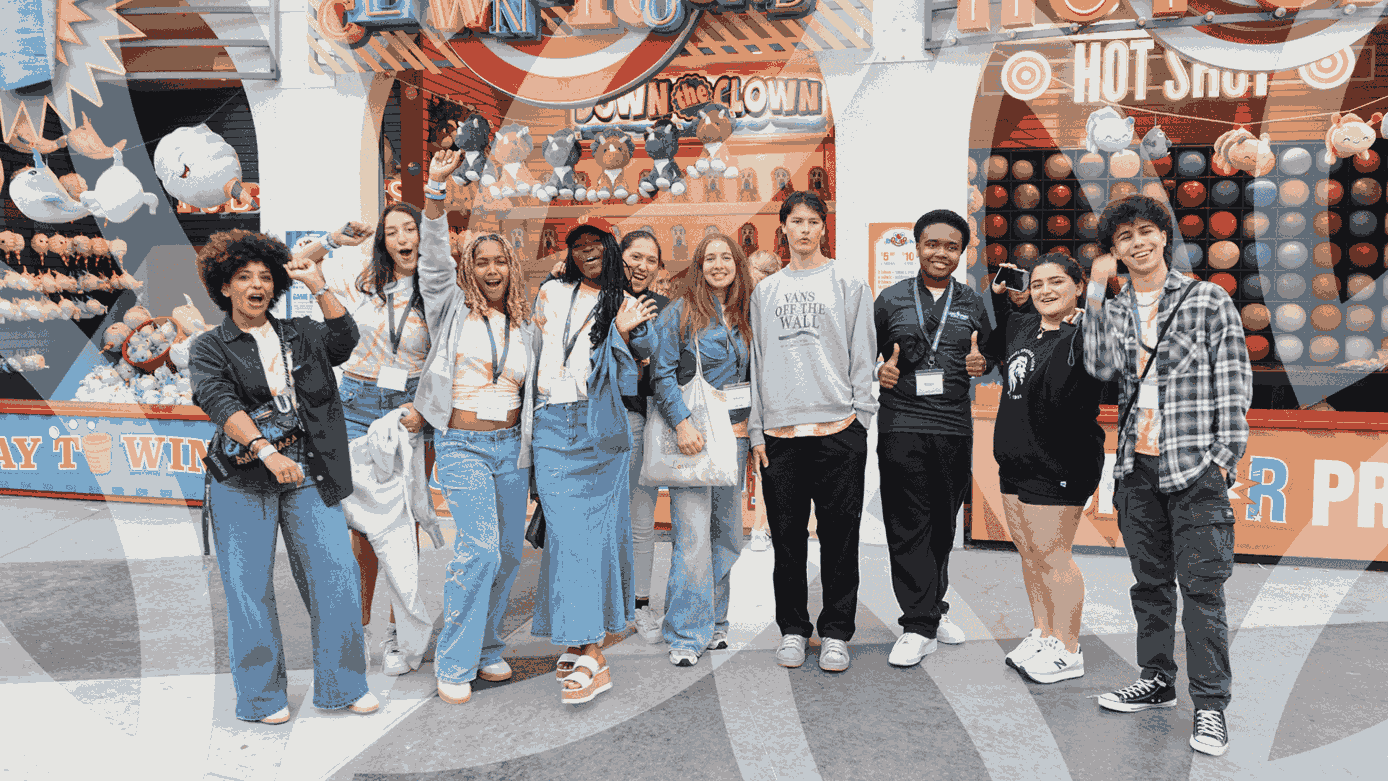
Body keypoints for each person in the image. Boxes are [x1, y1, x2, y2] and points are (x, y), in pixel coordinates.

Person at [1083, 195, 1252, 757]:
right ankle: (1156, 681)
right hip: (1136, 466)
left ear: (1163, 236)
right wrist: (1095, 291)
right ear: (1114, 250)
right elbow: (1100, 367)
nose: (1137, 243)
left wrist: (1225, 457)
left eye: (1145, 231)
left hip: (1194, 467)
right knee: (1150, 587)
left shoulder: (1207, 299)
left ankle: (1210, 708)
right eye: (1124, 236)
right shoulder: (1116, 307)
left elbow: (1233, 383)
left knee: (1202, 591)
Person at [189, 230, 378, 724]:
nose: (257, 285)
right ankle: (261, 698)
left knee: (336, 575)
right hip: (243, 476)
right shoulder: (210, 346)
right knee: (248, 589)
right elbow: (217, 399)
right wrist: (265, 449)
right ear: (224, 287)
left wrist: (319, 285)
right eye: (244, 277)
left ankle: (344, 685)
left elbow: (344, 342)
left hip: (309, 469)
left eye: (265, 278)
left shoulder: (300, 332)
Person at [413, 150, 540, 705]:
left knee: (509, 553)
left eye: (500, 262)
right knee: (480, 549)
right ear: (470, 267)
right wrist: (436, 193)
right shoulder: (449, 306)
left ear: (512, 267)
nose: (492, 270)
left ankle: (487, 646)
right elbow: (433, 260)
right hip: (461, 443)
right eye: (482, 261)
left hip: (510, 447)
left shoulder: (524, 323)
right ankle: (455, 657)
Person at [295, 208, 437, 678]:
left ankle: (402, 631)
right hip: (355, 404)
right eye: (391, 231)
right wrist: (334, 238)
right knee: (356, 525)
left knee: (403, 522)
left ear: (422, 236)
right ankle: (356, 630)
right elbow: (296, 262)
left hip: (409, 410)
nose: (402, 238)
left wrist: (428, 410)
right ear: (382, 241)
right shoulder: (360, 278)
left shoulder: (437, 288)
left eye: (409, 229)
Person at [748, 191, 877, 673]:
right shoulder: (766, 292)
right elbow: (757, 361)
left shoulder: (847, 281)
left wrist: (861, 417)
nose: (804, 230)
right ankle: (794, 629)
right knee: (786, 540)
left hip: (838, 428)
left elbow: (863, 351)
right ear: (782, 228)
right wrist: (757, 429)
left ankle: (838, 631)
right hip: (780, 434)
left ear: (824, 228)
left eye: (813, 222)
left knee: (841, 537)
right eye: (796, 222)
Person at [531, 215, 658, 704]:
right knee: (565, 536)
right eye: (578, 245)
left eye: (596, 245)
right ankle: (580, 639)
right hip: (550, 423)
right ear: (571, 252)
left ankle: (591, 651)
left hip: (599, 424)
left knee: (594, 536)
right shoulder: (551, 293)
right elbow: (539, 351)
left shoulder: (626, 303)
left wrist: (624, 334)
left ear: (611, 250)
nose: (588, 252)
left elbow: (638, 371)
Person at [874, 209, 993, 669]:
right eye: (932, 244)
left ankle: (931, 607)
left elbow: (993, 353)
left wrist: (985, 365)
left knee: (943, 525)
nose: (940, 253)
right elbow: (866, 353)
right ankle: (917, 624)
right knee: (907, 523)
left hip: (953, 426)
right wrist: (877, 371)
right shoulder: (890, 299)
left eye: (950, 246)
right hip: (901, 422)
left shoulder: (974, 302)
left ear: (961, 252)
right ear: (917, 246)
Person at [979, 255, 1103, 683]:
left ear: (1078, 286)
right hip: (1015, 456)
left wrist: (1096, 310)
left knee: (1053, 555)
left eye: (1057, 282)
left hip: (1062, 461)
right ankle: (1044, 633)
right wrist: (998, 300)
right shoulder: (1022, 326)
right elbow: (993, 345)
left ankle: (1069, 649)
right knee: (1030, 554)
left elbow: (1105, 360)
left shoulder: (1088, 333)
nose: (1046, 291)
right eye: (1037, 285)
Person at [650, 233, 754, 666]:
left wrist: (758, 433)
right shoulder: (680, 312)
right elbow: (661, 374)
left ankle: (715, 623)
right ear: (698, 266)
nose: (717, 264)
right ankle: (685, 635)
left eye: (725, 257)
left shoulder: (747, 313)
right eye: (709, 258)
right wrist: (682, 423)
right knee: (692, 538)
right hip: (695, 437)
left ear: (737, 264)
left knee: (727, 537)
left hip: (738, 437)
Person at [617, 230, 674, 644]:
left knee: (640, 516)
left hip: (639, 418)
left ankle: (640, 605)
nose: (641, 265)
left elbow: (666, 371)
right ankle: (607, 602)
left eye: (650, 260)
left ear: (658, 269)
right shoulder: (596, 300)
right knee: (602, 516)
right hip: (593, 421)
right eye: (634, 256)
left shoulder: (665, 309)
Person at [743, 249, 783, 554]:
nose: (757, 276)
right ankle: (752, 525)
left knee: (763, 462)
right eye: (755, 270)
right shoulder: (738, 304)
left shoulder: (775, 305)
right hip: (739, 389)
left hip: (768, 390)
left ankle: (761, 526)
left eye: (764, 272)